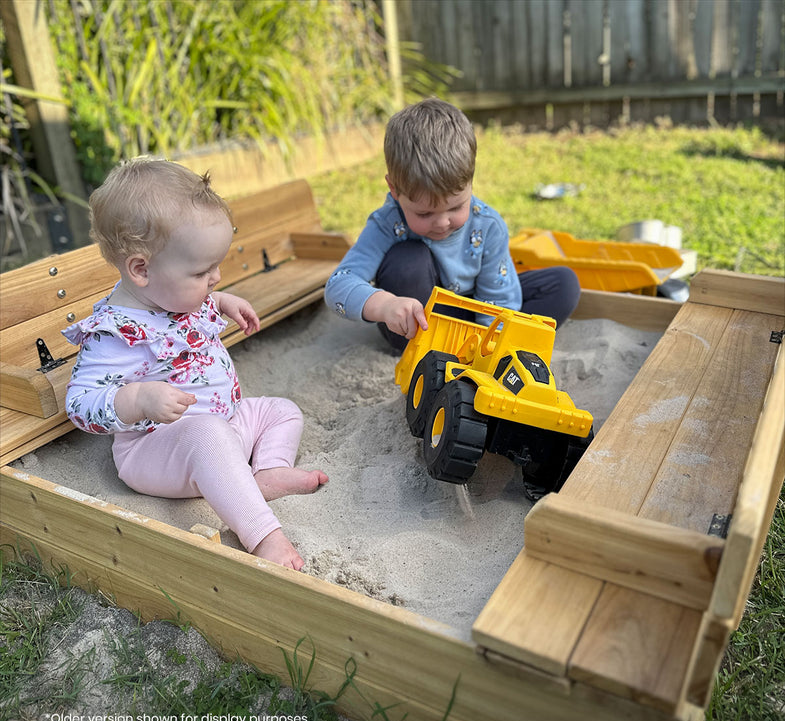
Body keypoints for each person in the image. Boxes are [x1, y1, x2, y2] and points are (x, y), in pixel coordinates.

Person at [63, 158, 327, 571]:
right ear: (141, 269)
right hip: (156, 450)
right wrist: (136, 398)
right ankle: (263, 535)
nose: (217, 277)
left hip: (225, 423)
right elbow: (80, 404)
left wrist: (222, 303)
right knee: (207, 435)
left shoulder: (171, 293)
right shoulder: (116, 333)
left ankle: (268, 473)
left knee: (280, 410)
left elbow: (194, 303)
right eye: (203, 271)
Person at [324, 97, 581, 351]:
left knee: (563, 284)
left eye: (456, 207)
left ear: (470, 181)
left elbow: (498, 299)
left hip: (476, 313)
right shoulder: (387, 223)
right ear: (394, 189)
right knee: (407, 259)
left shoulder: (487, 225)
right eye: (424, 214)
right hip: (419, 324)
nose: (443, 222)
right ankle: (434, 345)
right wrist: (385, 305)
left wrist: (490, 347)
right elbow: (338, 285)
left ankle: (482, 344)